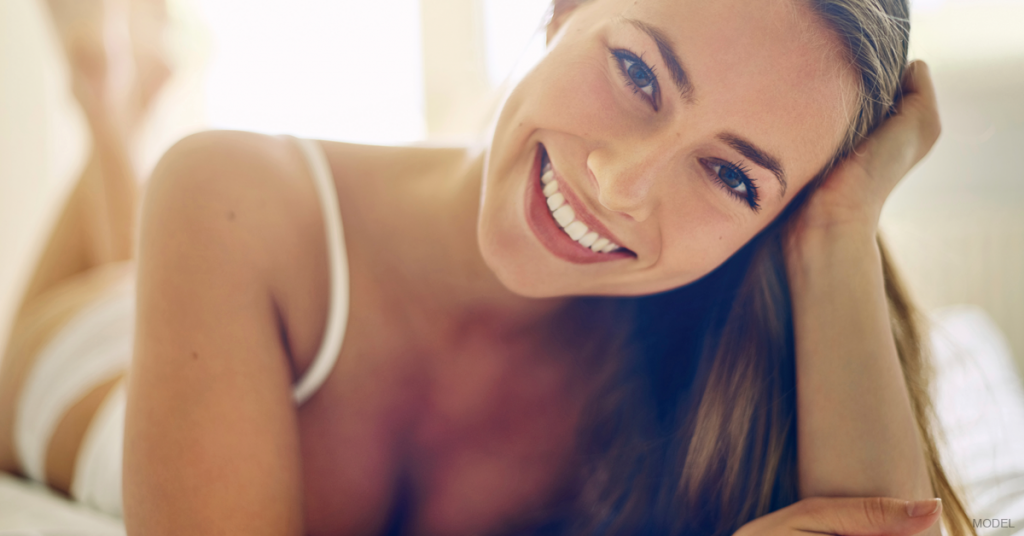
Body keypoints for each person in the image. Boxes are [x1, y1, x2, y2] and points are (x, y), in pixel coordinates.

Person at [0, 0, 971, 534]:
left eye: (729, 174)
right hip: (85, 362)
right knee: (143, 267)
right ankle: (109, 102)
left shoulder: (708, 348)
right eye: (637, 72)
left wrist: (836, 227)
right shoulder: (229, 186)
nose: (619, 183)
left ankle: (116, 94)